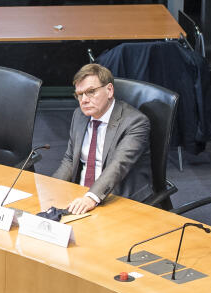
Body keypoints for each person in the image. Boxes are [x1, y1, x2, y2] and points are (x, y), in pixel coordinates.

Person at [53, 63, 151, 214]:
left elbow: (118, 166)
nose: (84, 100)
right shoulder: (79, 115)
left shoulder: (135, 122)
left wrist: (91, 197)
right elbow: (70, 159)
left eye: (91, 92)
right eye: (79, 94)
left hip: (117, 197)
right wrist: (52, 187)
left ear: (109, 90)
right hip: (81, 194)